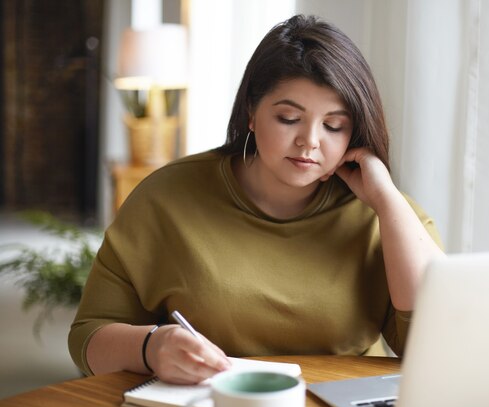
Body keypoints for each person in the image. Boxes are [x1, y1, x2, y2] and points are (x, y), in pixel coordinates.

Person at [69, 14, 444, 385]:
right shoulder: (166, 198)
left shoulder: (388, 215)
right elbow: (87, 337)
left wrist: (388, 202)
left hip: (342, 405)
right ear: (251, 112)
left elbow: (435, 347)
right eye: (288, 118)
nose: (310, 141)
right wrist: (151, 346)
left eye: (334, 125)